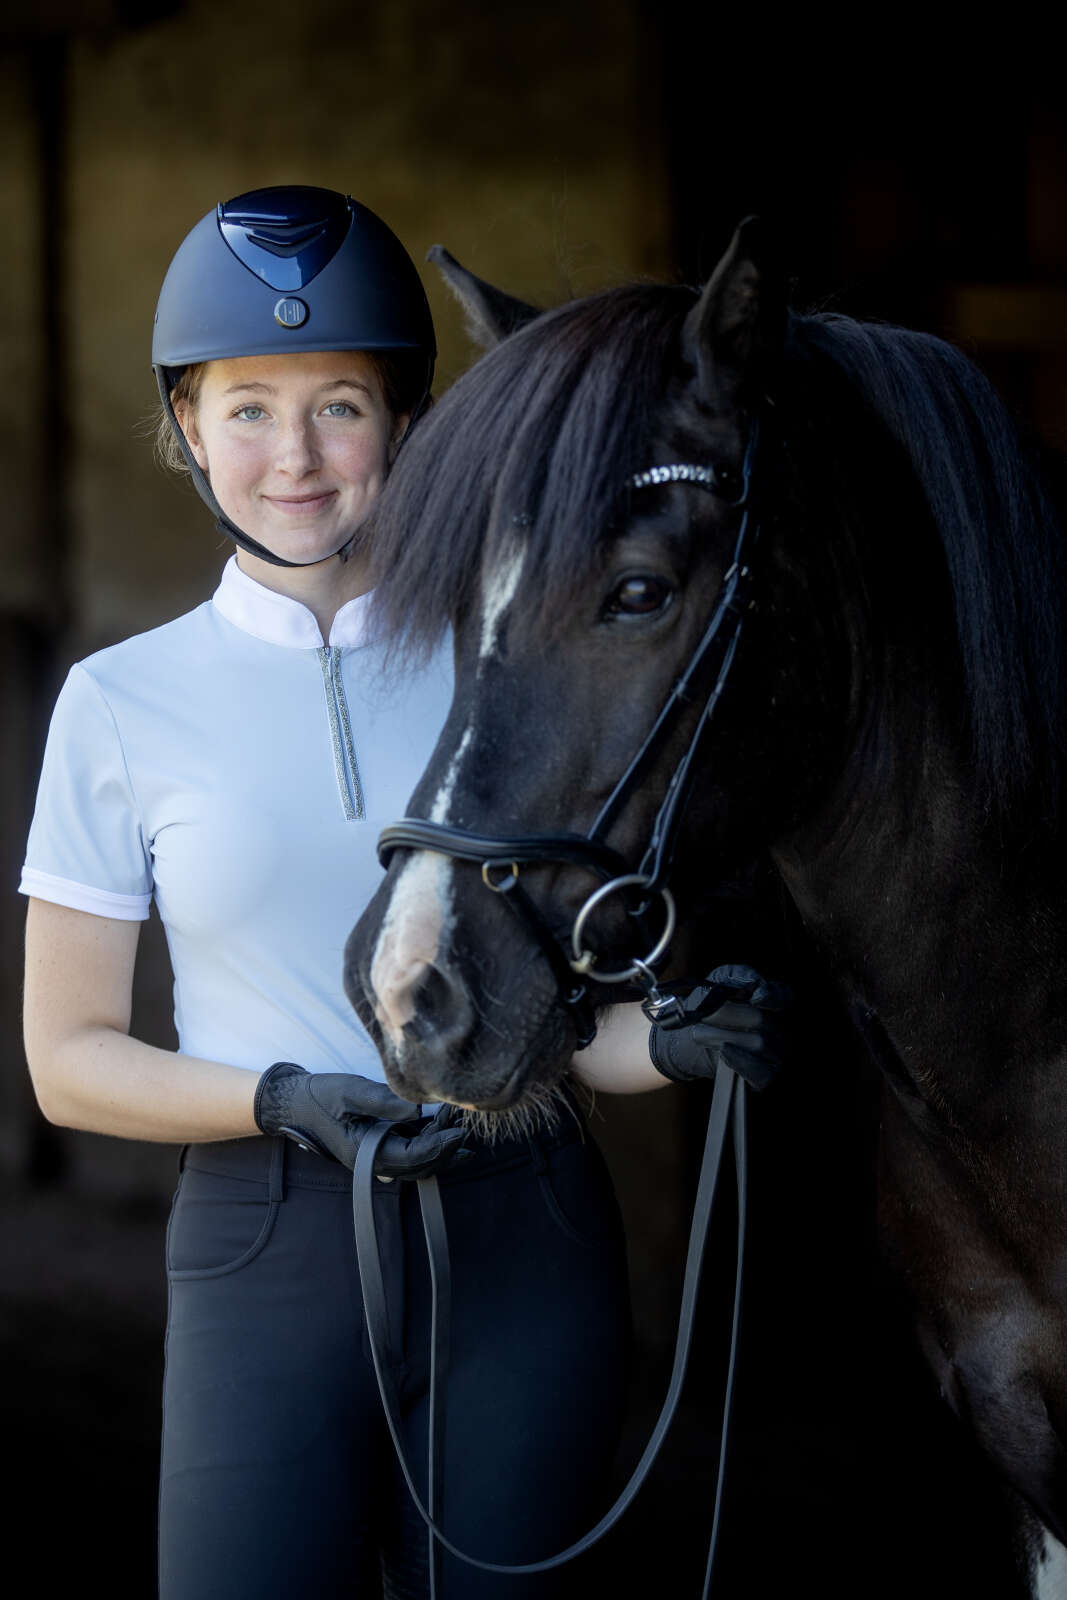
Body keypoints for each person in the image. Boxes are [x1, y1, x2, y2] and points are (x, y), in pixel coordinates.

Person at [19, 185, 785, 1600]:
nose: (295, 456)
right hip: (269, 1243)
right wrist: (280, 1098)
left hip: (527, 1236)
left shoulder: (500, 664)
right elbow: (66, 1065)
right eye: (248, 407)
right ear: (188, 428)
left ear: (411, 425)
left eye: (342, 405)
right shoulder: (118, 703)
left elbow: (563, 1024)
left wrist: (668, 1045)